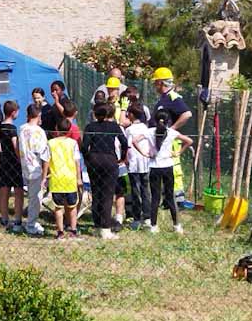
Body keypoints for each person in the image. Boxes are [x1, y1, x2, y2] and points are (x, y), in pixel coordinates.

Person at [134, 109, 193, 234]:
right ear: (168, 121)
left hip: (154, 167)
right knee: (170, 196)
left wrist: (144, 153)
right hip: (168, 166)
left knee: (155, 197)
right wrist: (178, 152)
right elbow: (189, 141)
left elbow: (134, 141)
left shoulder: (149, 132)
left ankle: (154, 226)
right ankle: (177, 225)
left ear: (155, 120)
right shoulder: (172, 132)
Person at [82, 103, 128, 240]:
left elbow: (84, 146)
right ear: (110, 114)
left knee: (96, 193)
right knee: (107, 195)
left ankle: (96, 226)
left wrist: (87, 159)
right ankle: (105, 228)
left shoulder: (90, 127)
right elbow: (124, 143)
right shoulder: (114, 126)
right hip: (109, 160)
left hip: (94, 159)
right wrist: (122, 158)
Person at [44, 118, 83, 240]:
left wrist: (45, 175)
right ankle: (73, 230)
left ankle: (60, 232)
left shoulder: (50, 143)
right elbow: (77, 161)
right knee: (72, 207)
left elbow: (46, 160)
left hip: (56, 179)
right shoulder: (73, 143)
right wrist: (79, 177)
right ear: (69, 130)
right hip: (70, 179)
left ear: (56, 128)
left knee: (58, 207)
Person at [18, 104, 50, 236]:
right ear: (38, 116)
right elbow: (45, 154)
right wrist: (44, 175)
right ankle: (31, 224)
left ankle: (31, 221)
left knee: (31, 196)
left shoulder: (21, 129)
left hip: (24, 165)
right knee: (36, 197)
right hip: (36, 168)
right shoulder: (39, 132)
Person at [125, 102, 151, 230]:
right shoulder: (146, 128)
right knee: (145, 190)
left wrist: (124, 159)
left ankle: (136, 218)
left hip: (134, 164)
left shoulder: (129, 130)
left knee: (135, 191)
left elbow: (127, 146)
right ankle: (147, 217)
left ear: (132, 115)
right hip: (145, 163)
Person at [0, 100, 23, 232]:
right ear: (13, 112)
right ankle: (18, 219)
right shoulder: (12, 129)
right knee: (18, 191)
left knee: (4, 190)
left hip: (3, 162)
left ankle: (4, 218)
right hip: (14, 162)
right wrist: (20, 159)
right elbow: (15, 145)